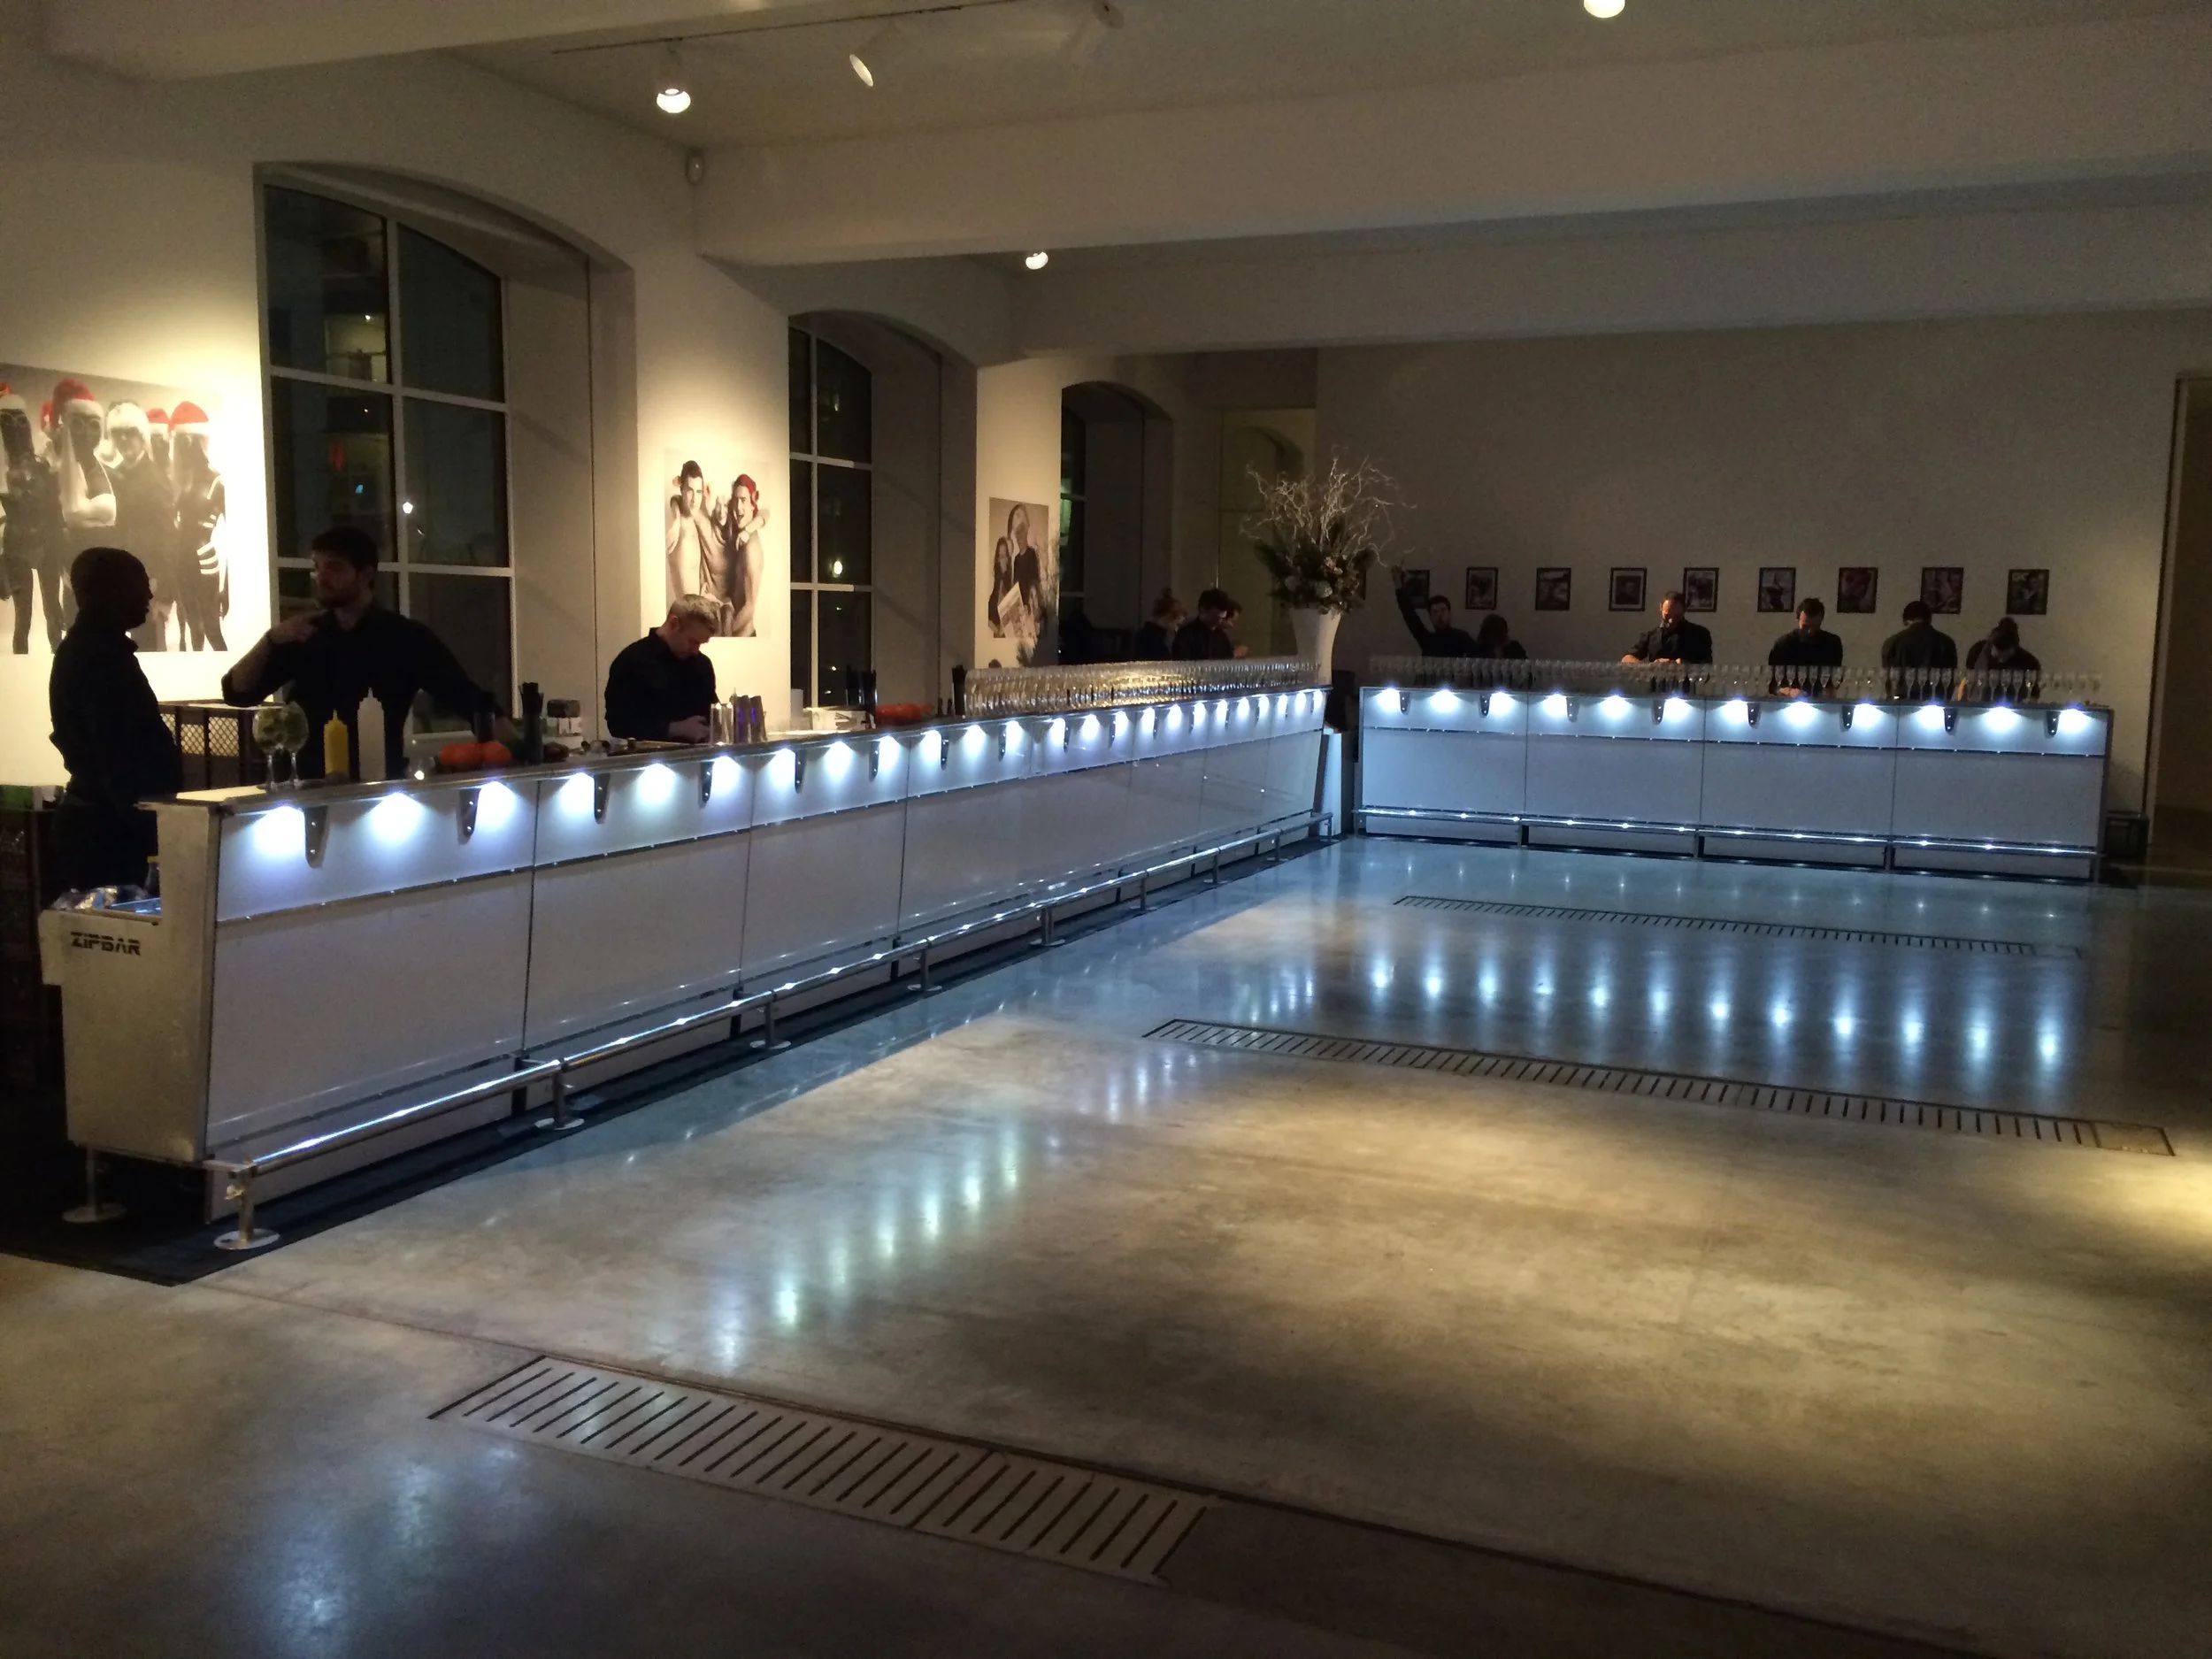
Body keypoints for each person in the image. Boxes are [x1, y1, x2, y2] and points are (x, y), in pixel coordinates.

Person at [220, 525, 500, 780]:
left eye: (334, 568)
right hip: (307, 785)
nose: (321, 577)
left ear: (366, 574)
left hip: (379, 786)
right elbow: (238, 692)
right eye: (317, 567)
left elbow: (468, 698)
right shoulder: (305, 633)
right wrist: (270, 639)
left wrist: (507, 750)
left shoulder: (405, 638)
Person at [48, 547, 180, 891]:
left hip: (101, 825)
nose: (150, 593)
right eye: (140, 583)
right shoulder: (101, 660)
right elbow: (120, 757)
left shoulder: (88, 651)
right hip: (110, 834)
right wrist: (154, 835)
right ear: (113, 591)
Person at [105, 402, 179, 652]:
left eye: (130, 432)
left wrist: (165, 592)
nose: (124, 439)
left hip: (150, 582)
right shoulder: (112, 476)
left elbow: (168, 537)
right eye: (118, 433)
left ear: (141, 434)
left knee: (149, 654)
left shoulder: (156, 478)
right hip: (118, 579)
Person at [605, 595, 718, 742]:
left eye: (701, 644)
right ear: (674, 623)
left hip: (699, 761)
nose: (695, 650)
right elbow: (618, 725)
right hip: (647, 761)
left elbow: (710, 713)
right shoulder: (632, 661)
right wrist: (675, 728)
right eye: (692, 642)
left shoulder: (702, 665)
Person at [0, 385, 60, 654]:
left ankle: (60, 662)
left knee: (52, 612)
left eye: (19, 419)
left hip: (43, 543)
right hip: (16, 546)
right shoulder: (5, 470)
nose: (14, 426)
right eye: (6, 420)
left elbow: (51, 505)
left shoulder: (40, 464)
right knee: (23, 619)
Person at [166, 403, 227, 652]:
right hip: (181, 559)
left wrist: (228, 589)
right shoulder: (178, 480)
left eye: (190, 440)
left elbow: (238, 536)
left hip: (203, 560)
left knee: (209, 627)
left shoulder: (216, 481)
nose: (186, 447)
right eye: (181, 441)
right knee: (193, 628)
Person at [717, 472, 767, 637]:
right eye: (736, 500)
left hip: (743, 636)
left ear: (753, 503)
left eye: (744, 500)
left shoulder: (751, 548)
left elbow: (749, 608)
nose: (738, 508)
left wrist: (726, 638)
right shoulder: (739, 533)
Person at [664, 461, 717, 611]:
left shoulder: (693, 518)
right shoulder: (682, 533)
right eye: (690, 491)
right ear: (682, 489)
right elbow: (688, 601)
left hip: (698, 609)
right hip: (690, 616)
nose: (695, 499)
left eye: (699, 491)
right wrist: (676, 522)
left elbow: (675, 499)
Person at [1766, 596, 1843, 695]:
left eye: (1815, 627)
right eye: (1805, 627)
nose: (1810, 631)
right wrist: (1790, 692)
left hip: (1821, 700)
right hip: (1789, 702)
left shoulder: (1832, 643)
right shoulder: (1783, 644)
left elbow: (1835, 677)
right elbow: (1773, 685)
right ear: (1797, 620)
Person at [1394, 568, 1479, 657]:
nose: (1439, 615)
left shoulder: (1462, 638)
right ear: (1430, 617)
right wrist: (1398, 584)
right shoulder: (1427, 640)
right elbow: (1410, 616)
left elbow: (1480, 659)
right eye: (1435, 612)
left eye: (1443, 610)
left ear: (1449, 613)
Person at [1621, 590, 1713, 665]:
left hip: (1685, 685)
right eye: (1667, 616)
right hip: (1656, 686)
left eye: (1677, 616)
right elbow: (1627, 658)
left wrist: (1685, 664)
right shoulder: (1651, 635)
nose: (1671, 621)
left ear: (1684, 611)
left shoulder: (1700, 634)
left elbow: (1707, 664)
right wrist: (1649, 666)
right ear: (1661, 608)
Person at [1962, 616, 2041, 699]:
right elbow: (1966, 681)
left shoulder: (2029, 663)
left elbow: (2033, 695)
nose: (2001, 660)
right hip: (1978, 703)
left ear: (2015, 648)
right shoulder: (1977, 652)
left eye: (2005, 657)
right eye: (1997, 656)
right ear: (1991, 644)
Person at [1173, 588, 1241, 659]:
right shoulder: (1186, 635)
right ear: (1203, 609)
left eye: (1224, 610)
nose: (1223, 615)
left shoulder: (1222, 637)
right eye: (1219, 609)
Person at [1132, 590, 1183, 660]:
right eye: (1177, 620)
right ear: (1168, 617)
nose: (1178, 625)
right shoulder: (1148, 637)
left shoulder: (1165, 635)